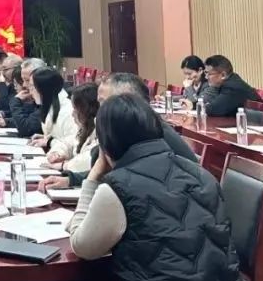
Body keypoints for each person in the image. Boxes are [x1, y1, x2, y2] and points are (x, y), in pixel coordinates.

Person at [60, 94, 257, 281]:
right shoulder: (203, 175)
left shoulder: (118, 187)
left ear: (107, 146)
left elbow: (82, 246)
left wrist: (93, 178)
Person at [39, 72, 198, 190]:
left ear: (128, 102)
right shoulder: (133, 127)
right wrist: (71, 180)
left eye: (104, 103)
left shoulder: (153, 135)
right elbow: (109, 170)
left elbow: (126, 181)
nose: (100, 111)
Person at [28, 68, 82, 169]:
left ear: (43, 89)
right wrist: (47, 138)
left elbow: (75, 143)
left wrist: (49, 141)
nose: (29, 91)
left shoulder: (68, 111)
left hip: (67, 166)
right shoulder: (50, 107)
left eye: (32, 86)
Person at [46, 83, 99, 174]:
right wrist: (58, 153)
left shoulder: (100, 131)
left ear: (86, 109)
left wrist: (64, 165)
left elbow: (88, 159)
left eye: (75, 109)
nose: (72, 114)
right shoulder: (84, 128)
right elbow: (69, 142)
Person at [0, 60, 45, 137]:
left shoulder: (46, 99)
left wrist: (16, 101)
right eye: (23, 80)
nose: (24, 85)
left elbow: (25, 128)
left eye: (27, 80)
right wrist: (7, 121)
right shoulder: (35, 97)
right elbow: (28, 118)